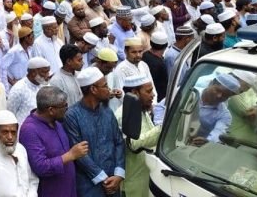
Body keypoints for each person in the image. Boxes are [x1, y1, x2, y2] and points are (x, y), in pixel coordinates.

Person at [64, 67, 125, 197]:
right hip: (89, 185)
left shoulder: (107, 112)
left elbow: (119, 142)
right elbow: (78, 154)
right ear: (93, 89)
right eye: (105, 86)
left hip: (113, 181)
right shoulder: (72, 116)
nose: (109, 89)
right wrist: (102, 178)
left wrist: (118, 174)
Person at [20, 86, 89, 197]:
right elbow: (40, 167)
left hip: (69, 190)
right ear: (51, 110)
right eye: (64, 106)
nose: (67, 109)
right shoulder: (30, 130)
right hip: (50, 191)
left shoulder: (57, 122)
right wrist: (70, 155)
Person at [115, 74, 160, 197]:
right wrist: (161, 130)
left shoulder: (141, 109)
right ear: (135, 92)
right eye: (149, 91)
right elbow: (133, 145)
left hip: (146, 176)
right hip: (132, 183)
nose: (153, 95)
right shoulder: (121, 116)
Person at [8, 57, 51, 124]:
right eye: (44, 72)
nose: (47, 75)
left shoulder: (46, 86)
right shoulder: (18, 89)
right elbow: (10, 114)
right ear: (33, 72)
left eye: (48, 72)